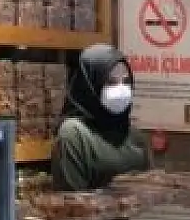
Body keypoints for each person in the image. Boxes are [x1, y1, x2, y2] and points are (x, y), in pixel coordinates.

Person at [51, 44, 150, 192]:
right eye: (111, 82)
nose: (121, 89)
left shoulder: (135, 135)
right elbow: (70, 199)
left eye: (126, 81)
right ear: (90, 84)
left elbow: (150, 188)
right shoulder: (74, 134)